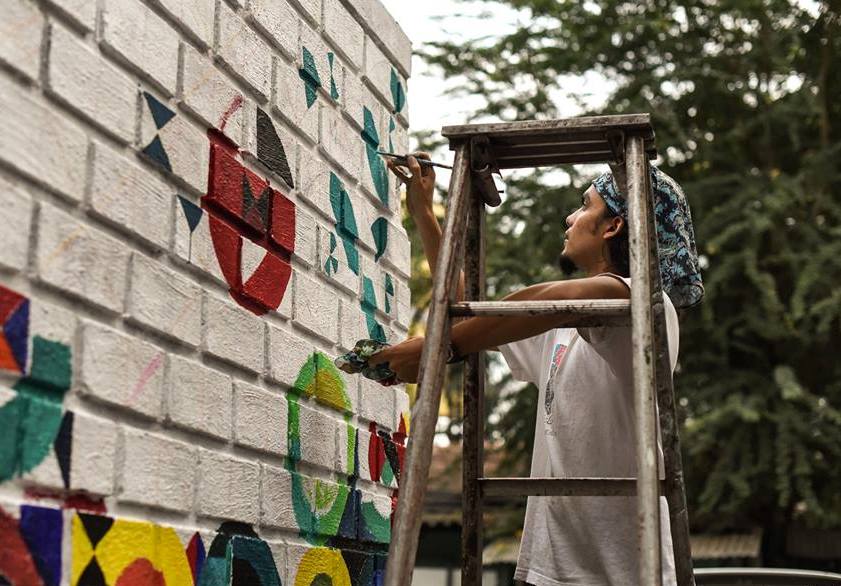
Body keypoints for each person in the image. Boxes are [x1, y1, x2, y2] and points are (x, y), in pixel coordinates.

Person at [370, 152, 703, 586]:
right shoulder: (564, 325)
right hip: (554, 565)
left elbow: (535, 301)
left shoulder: (639, 305)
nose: (571, 217)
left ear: (613, 226)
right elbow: (474, 317)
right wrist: (424, 210)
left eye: (585, 206)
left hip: (624, 571)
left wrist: (437, 351)